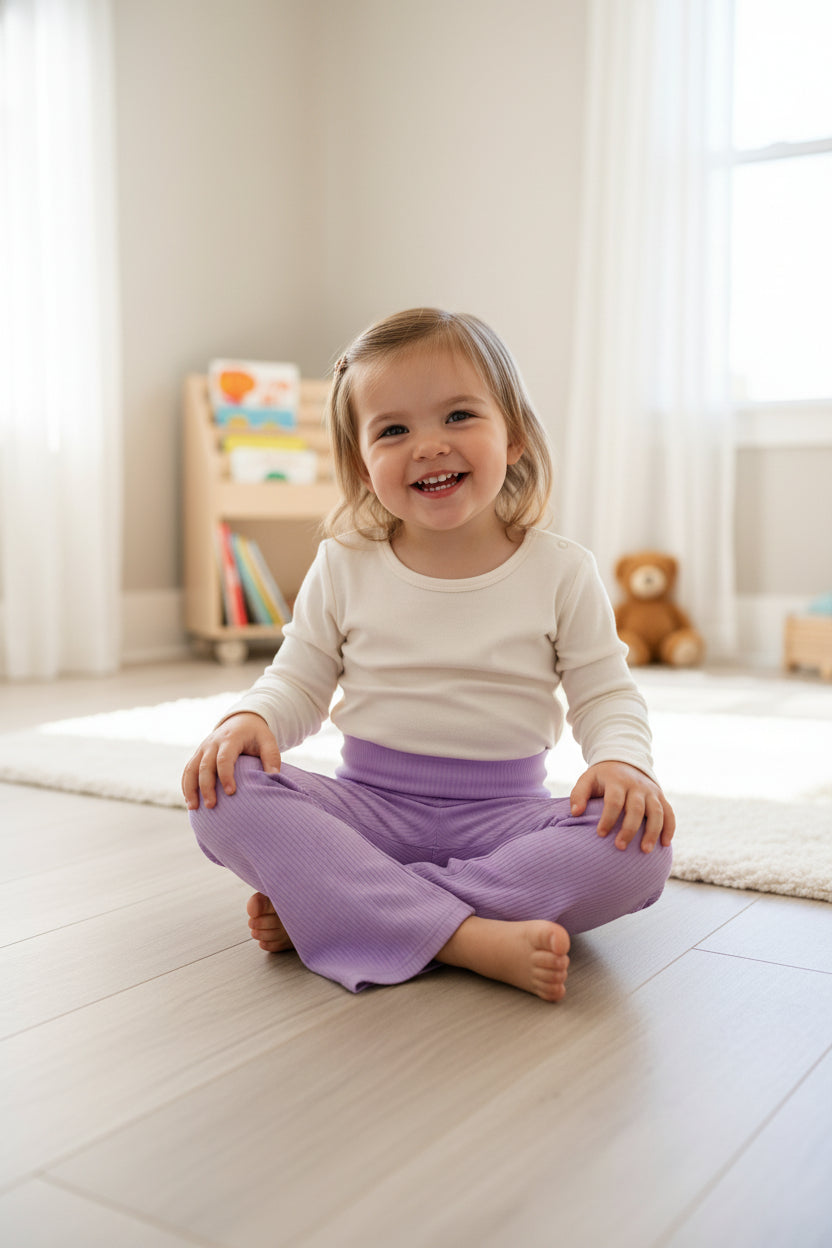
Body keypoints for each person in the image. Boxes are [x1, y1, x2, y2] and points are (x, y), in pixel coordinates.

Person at [183, 308, 674, 1003]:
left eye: (459, 417)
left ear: (516, 435)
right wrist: (251, 718)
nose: (429, 446)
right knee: (222, 794)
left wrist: (623, 764)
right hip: (367, 812)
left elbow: (605, 694)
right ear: (360, 462)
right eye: (393, 430)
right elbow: (297, 679)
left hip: (506, 822)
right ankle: (467, 937)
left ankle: (345, 907)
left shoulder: (562, 570)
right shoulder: (344, 563)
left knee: (641, 851)